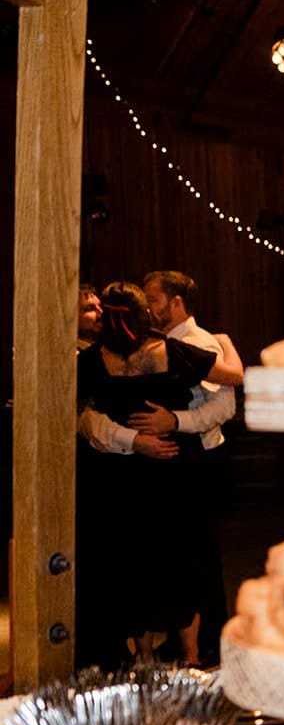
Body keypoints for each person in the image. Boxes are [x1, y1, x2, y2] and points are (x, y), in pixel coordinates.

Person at [74, 282, 236, 669]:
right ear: (143, 316)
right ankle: (190, 656)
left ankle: (145, 658)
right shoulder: (173, 352)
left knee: (137, 564)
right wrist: (226, 343)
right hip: (174, 468)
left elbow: (79, 416)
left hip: (125, 476)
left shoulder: (92, 362)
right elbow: (233, 376)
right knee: (181, 560)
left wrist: (142, 434)